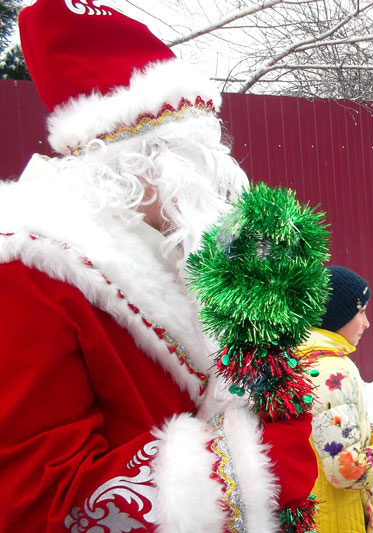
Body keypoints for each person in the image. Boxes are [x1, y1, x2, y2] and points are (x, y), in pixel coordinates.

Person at [0, 0, 317, 531]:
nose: (216, 174)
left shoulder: (168, 248)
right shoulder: (30, 276)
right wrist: (262, 463)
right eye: (192, 150)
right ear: (131, 160)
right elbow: (40, 501)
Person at [295, 266, 373, 533]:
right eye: (361, 311)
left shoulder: (301, 360)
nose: (367, 323)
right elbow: (346, 470)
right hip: (336, 519)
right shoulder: (333, 371)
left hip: (310, 514)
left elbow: (319, 430)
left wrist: (369, 434)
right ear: (336, 315)